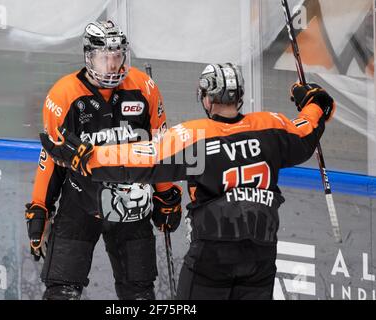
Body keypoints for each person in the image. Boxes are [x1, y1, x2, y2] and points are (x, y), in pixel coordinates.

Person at [40, 62, 336, 300]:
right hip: (261, 256)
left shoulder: (195, 138)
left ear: (207, 98)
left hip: (212, 257)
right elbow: (310, 127)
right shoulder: (272, 128)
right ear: (240, 95)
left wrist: (86, 157)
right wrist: (316, 101)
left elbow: (141, 159)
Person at [25, 20, 182, 300]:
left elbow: (160, 146)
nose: (112, 65)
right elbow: (52, 158)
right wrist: (40, 208)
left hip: (132, 204)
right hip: (80, 204)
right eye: (104, 57)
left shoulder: (144, 87)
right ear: (89, 56)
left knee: (139, 295)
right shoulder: (63, 95)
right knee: (61, 292)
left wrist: (166, 194)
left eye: (117, 56)